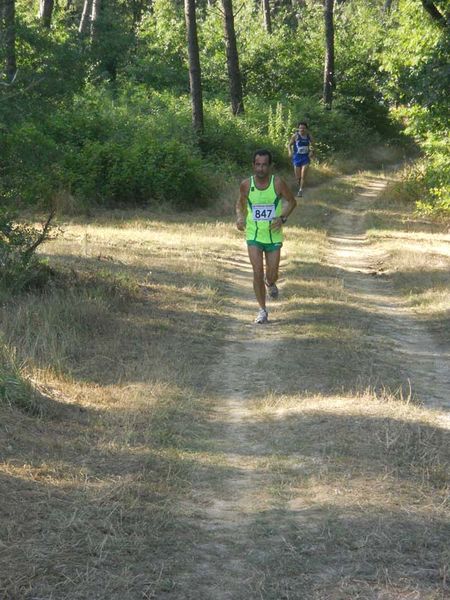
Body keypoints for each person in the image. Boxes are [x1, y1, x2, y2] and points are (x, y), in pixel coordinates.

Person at [236, 149, 297, 324]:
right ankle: (262, 310)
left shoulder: (277, 183)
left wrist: (282, 217)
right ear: (253, 165)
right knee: (257, 271)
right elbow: (239, 204)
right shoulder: (246, 185)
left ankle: (270, 283)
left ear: (269, 166)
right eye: (257, 164)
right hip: (254, 234)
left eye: (264, 165)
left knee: (271, 273)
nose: (260, 168)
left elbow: (292, 202)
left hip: (273, 235)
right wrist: (240, 217)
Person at [287, 121, 314, 197]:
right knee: (298, 177)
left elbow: (313, 146)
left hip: (305, 157)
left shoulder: (309, 136)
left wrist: (312, 151)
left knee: (303, 175)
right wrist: (290, 152)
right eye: (300, 128)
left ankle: (300, 190)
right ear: (298, 128)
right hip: (297, 157)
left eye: (303, 128)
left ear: (306, 129)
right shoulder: (295, 136)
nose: (302, 129)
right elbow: (289, 145)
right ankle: (300, 186)